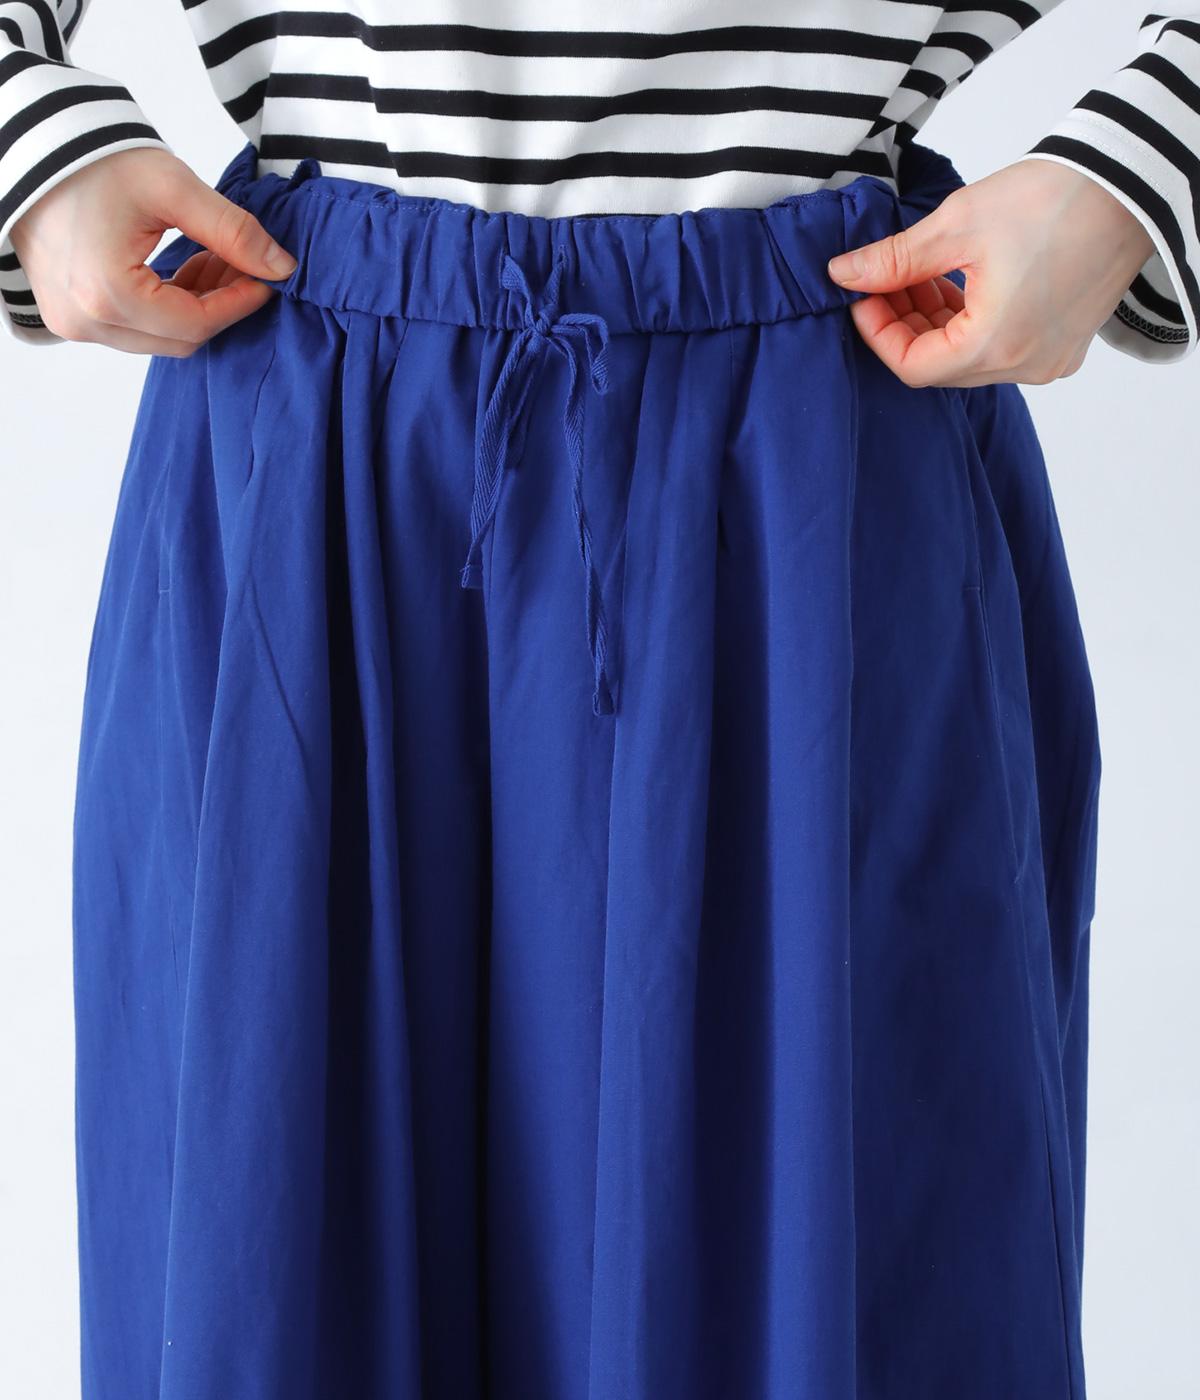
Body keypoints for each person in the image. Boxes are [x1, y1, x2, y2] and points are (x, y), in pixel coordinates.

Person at [0, 5, 1192, 1398]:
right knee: (273, 1281)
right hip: (313, 465)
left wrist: (1133, 176)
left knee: (825, 1299)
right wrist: (35, 147)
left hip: (808, 466)